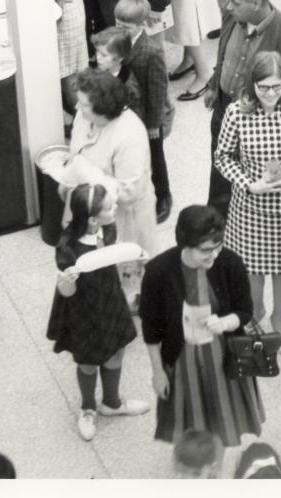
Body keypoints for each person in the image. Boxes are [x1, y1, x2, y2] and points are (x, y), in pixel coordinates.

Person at [214, 51, 281, 362]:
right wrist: (250, 183)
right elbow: (222, 157)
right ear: (253, 85)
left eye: (276, 87)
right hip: (250, 205)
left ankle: (279, 318)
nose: (271, 94)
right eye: (264, 88)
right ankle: (256, 311)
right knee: (253, 266)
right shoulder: (237, 113)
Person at [141, 205, 264, 460]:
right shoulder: (158, 271)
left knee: (222, 418)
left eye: (218, 246)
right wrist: (157, 371)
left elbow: (245, 311)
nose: (214, 255)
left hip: (223, 357)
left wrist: (227, 322)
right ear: (185, 244)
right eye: (206, 250)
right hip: (181, 358)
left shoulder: (230, 262)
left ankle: (213, 464)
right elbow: (151, 328)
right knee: (188, 417)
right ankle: (192, 461)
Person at [48, 182, 150, 441]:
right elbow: (67, 293)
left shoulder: (109, 228)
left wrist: (137, 259)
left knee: (116, 350)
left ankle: (112, 403)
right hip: (83, 308)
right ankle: (88, 408)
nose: (115, 207)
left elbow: (113, 257)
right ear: (93, 218)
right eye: (109, 207)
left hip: (109, 297)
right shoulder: (68, 247)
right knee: (88, 360)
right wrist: (66, 281)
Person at [204, 0, 281, 215]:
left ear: (256, 2)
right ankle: (217, 220)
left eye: (235, 2)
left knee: (253, 179)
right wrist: (214, 86)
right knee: (220, 171)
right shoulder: (231, 17)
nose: (228, 6)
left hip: (258, 123)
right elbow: (223, 55)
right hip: (223, 109)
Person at [67, 68, 160, 305]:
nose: (77, 108)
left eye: (84, 105)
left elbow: (129, 193)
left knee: (125, 271)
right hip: (91, 207)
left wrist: (85, 172)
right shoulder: (85, 115)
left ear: (103, 109)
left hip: (123, 215)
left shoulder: (128, 137)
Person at [114, 0, 176, 223]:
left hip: (150, 115)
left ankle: (163, 196)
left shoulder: (152, 51)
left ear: (142, 24)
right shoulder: (119, 42)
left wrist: (154, 124)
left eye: (126, 27)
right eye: (117, 25)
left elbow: (158, 91)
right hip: (128, 110)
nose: (120, 30)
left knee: (156, 157)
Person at [92, 26, 143, 119]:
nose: (98, 57)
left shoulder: (128, 87)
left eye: (103, 55)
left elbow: (133, 116)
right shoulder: (99, 69)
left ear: (120, 57)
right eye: (97, 52)